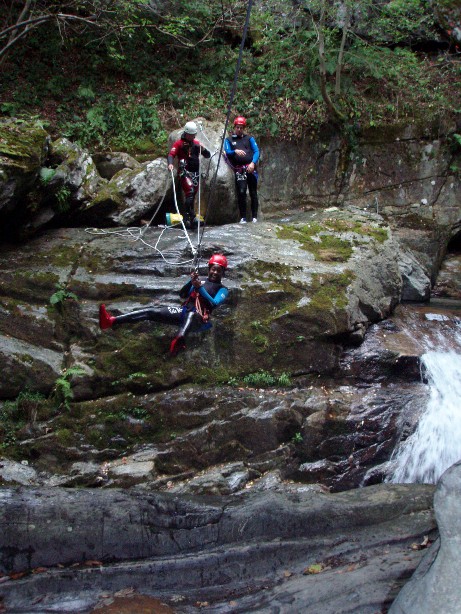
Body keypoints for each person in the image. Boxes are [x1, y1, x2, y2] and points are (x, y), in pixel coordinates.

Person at [99, 254, 229, 356]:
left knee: (192, 314)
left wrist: (200, 288)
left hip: (200, 320)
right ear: (209, 269)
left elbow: (214, 302)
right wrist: (191, 282)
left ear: (223, 273)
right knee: (152, 312)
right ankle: (111, 321)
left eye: (218, 270)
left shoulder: (223, 289)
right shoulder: (199, 281)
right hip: (184, 312)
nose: (215, 273)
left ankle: (180, 338)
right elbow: (182, 295)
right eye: (213, 269)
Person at [167, 121, 211, 228]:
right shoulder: (179, 144)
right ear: (186, 133)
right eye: (190, 135)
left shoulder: (196, 144)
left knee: (192, 195)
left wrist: (203, 148)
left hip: (195, 174)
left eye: (193, 135)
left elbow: (207, 155)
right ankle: (188, 216)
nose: (192, 137)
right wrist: (170, 164)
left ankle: (191, 215)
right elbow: (171, 154)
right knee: (190, 192)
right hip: (184, 172)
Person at [224, 116, 260, 224]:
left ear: (243, 128)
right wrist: (235, 151)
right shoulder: (229, 140)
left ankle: (254, 217)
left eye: (241, 128)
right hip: (240, 170)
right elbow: (227, 151)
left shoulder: (249, 139)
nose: (239, 130)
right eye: (237, 127)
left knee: (253, 192)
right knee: (241, 192)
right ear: (234, 127)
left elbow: (256, 151)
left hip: (250, 168)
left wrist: (253, 163)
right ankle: (243, 217)